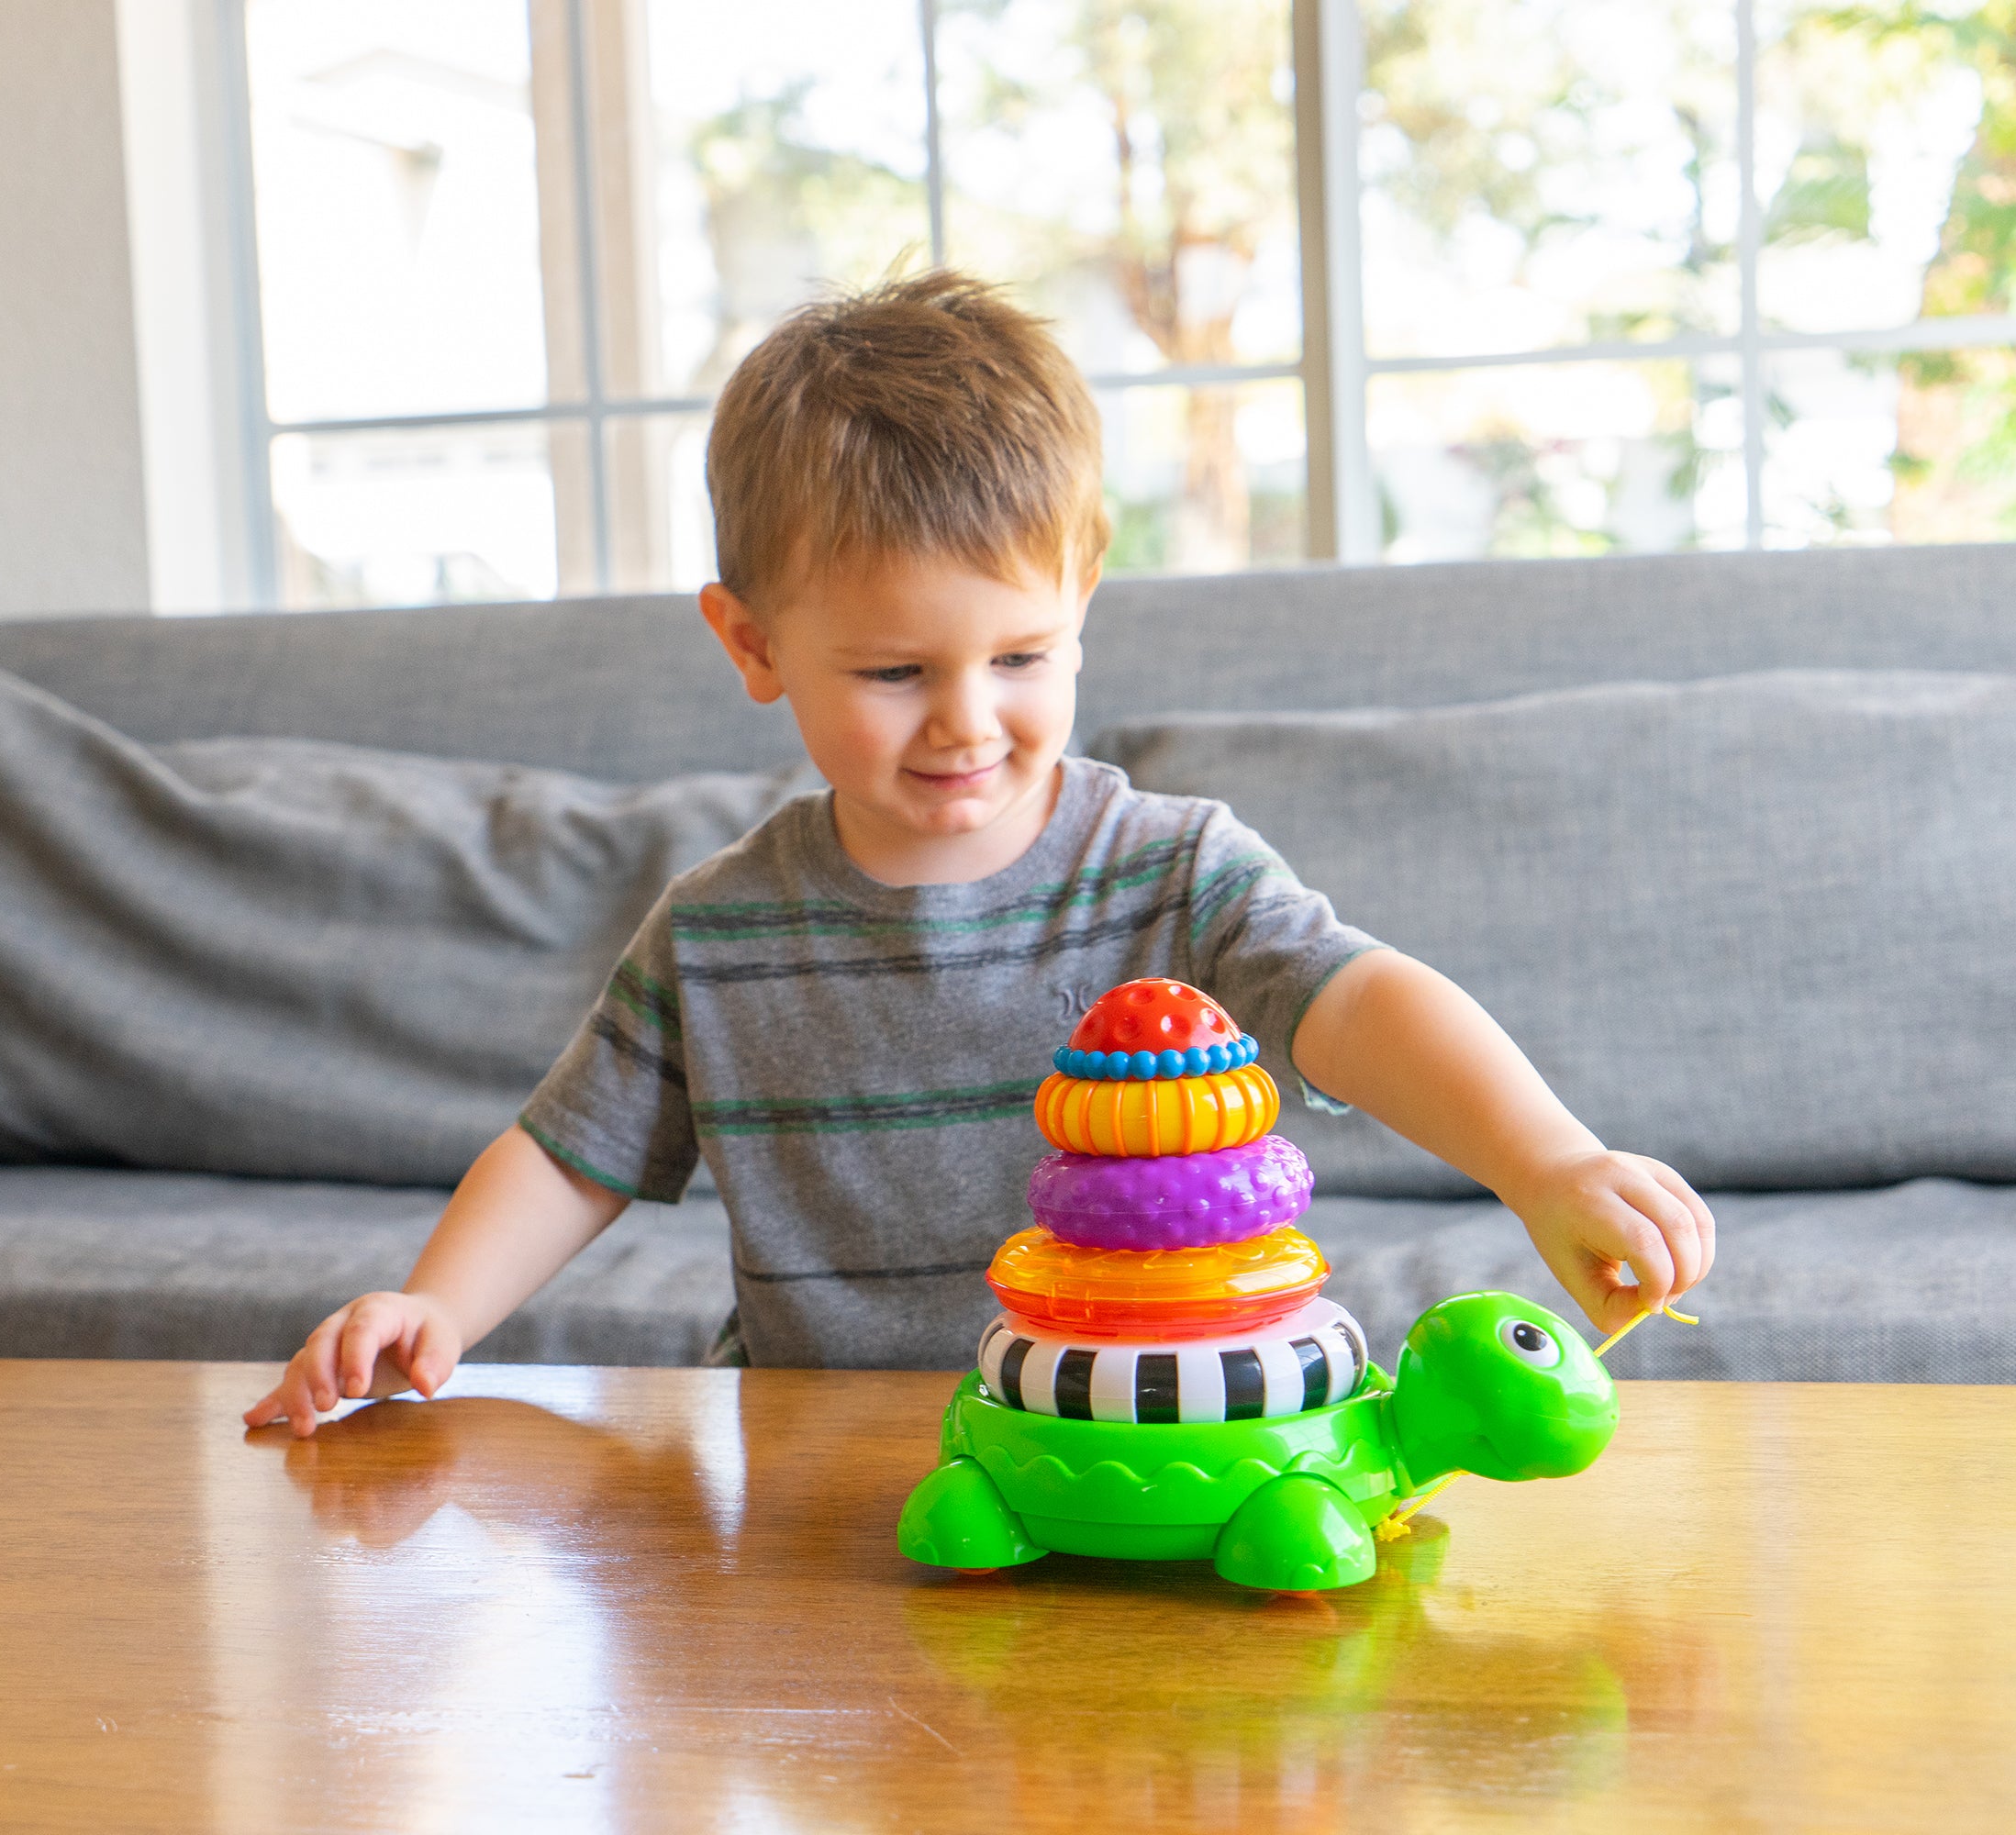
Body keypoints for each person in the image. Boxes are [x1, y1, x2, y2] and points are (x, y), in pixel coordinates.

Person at [247, 271, 1713, 1434]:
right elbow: (572, 1158)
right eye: (894, 673)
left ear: (1084, 602)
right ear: (751, 644)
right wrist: (435, 1307)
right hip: (828, 1469)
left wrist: (1546, 1163)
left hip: (1149, 1446)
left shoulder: (1172, 869)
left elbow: (1358, 999)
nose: (966, 721)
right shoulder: (719, 929)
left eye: (1021, 655)